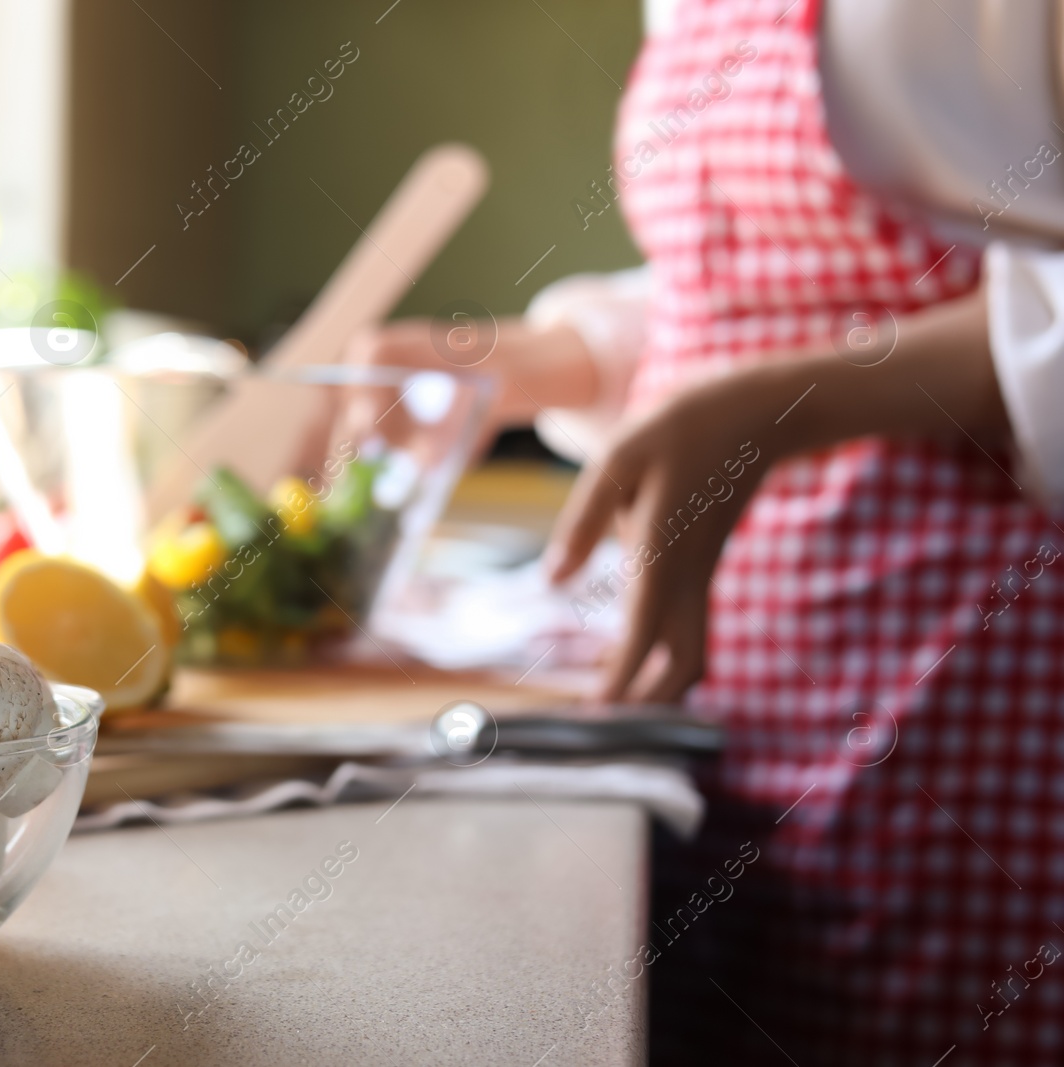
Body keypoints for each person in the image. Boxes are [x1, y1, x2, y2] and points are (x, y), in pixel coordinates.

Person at [358, 0, 1064, 1061]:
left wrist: (772, 407)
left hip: (956, 679)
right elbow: (771, 284)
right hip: (732, 707)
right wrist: (554, 356)